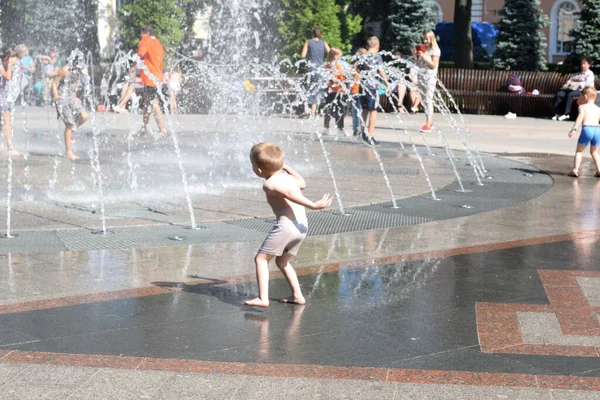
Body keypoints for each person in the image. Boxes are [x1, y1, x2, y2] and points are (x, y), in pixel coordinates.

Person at [245, 142, 333, 307]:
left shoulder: (269, 184)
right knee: (282, 261)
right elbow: (302, 184)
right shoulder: (289, 178)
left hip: (286, 227)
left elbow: (288, 193)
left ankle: (263, 298)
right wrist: (287, 167)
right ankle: (298, 296)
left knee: (261, 259)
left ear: (258, 170)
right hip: (302, 226)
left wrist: (313, 205)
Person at [52, 56, 89, 160]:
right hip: (62, 97)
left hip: (71, 97)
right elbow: (54, 83)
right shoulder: (65, 69)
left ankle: (70, 132)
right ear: (75, 63)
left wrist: (75, 96)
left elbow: (75, 84)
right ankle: (69, 152)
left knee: (84, 116)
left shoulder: (78, 71)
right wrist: (56, 97)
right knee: (70, 125)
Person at [137, 26, 167, 135]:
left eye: (142, 33)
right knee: (147, 103)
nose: (141, 36)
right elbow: (160, 56)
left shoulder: (146, 40)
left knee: (154, 103)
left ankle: (162, 129)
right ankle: (144, 128)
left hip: (150, 78)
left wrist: (132, 67)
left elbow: (139, 54)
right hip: (157, 76)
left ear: (147, 33)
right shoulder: (157, 42)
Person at [359, 36, 388, 145]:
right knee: (374, 110)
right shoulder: (377, 57)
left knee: (365, 109)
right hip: (372, 87)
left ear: (367, 46)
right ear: (377, 46)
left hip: (363, 87)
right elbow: (380, 71)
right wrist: (386, 83)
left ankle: (362, 133)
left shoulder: (362, 57)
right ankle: (370, 135)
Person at [567, 87, 600, 178]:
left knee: (579, 151)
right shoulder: (598, 109)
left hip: (587, 129)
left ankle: (575, 170)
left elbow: (580, 118)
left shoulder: (582, 107)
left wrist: (573, 130)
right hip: (597, 130)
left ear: (585, 97)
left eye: (581, 97)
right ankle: (599, 170)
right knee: (595, 152)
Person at [414, 31, 441, 133]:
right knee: (424, 100)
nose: (425, 41)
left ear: (431, 39)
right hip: (421, 77)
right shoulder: (424, 50)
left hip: (430, 78)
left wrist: (425, 57)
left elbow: (434, 64)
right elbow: (418, 64)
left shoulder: (435, 50)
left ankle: (428, 123)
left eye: (427, 39)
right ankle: (430, 121)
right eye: (424, 39)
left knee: (428, 99)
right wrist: (415, 56)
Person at [553, 57, 595, 121]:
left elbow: (587, 84)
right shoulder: (577, 74)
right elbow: (569, 81)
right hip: (570, 89)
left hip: (582, 91)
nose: (582, 65)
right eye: (581, 64)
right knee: (560, 94)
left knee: (570, 95)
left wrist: (576, 84)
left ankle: (567, 114)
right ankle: (558, 113)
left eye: (584, 64)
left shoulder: (590, 74)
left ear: (588, 65)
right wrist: (567, 84)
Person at [301, 28, 330, 118]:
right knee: (316, 89)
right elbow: (330, 52)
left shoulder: (308, 42)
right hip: (320, 69)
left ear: (312, 34)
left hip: (310, 68)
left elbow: (302, 55)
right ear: (320, 34)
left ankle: (306, 109)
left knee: (307, 88)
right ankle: (313, 112)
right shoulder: (323, 42)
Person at [323, 48, 349, 136]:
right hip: (337, 91)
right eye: (339, 56)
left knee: (329, 109)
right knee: (339, 110)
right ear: (335, 57)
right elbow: (340, 76)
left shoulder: (328, 65)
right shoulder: (335, 65)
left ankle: (327, 128)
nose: (340, 58)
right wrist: (345, 77)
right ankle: (340, 128)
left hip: (331, 90)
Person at [0, 48, 19, 155]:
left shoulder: (6, 66)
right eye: (12, 60)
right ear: (8, 58)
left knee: (5, 123)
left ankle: (9, 146)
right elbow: (7, 77)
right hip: (1, 99)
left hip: (2, 99)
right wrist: (10, 66)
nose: (13, 63)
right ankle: (10, 147)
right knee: (7, 122)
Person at [390, 50, 420, 114]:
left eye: (399, 58)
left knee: (403, 85)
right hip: (390, 84)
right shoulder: (389, 66)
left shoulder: (402, 66)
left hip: (400, 84)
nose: (397, 60)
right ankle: (411, 107)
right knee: (403, 84)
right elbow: (385, 77)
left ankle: (413, 107)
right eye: (395, 58)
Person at [350, 48, 367, 136]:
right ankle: (359, 129)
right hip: (359, 91)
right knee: (360, 110)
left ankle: (356, 129)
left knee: (354, 111)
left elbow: (350, 77)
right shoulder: (365, 67)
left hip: (353, 91)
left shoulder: (354, 66)